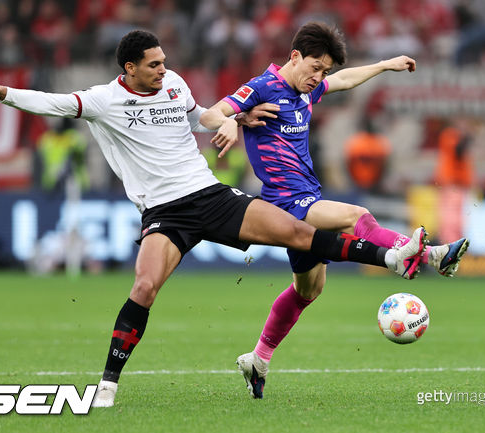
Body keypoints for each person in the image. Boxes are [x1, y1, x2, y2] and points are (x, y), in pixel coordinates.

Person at [0, 29, 428, 408]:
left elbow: (201, 114)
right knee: (144, 288)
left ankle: (388, 258)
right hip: (164, 212)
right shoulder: (103, 100)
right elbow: (52, 102)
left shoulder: (175, 84)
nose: (164, 69)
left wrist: (233, 121)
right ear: (130, 68)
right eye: (154, 64)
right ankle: (107, 383)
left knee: (299, 233)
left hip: (208, 194)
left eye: (164, 61)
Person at [201, 22, 470, 399]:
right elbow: (210, 114)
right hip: (285, 201)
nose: (318, 76)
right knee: (355, 216)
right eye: (315, 67)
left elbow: (343, 80)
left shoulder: (305, 90)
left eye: (323, 70)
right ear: (295, 56)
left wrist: (384, 65)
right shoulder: (262, 87)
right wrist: (232, 120)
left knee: (308, 290)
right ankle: (431, 256)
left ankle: (258, 359)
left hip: (307, 195)